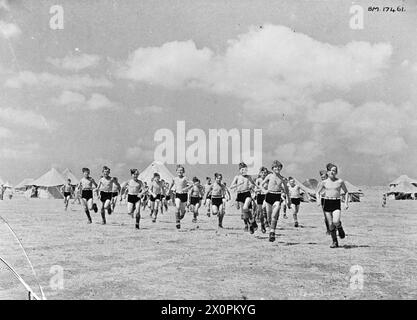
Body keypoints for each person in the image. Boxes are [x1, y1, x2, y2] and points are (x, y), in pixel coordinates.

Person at [316, 163, 349, 248]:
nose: (332, 172)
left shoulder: (340, 181)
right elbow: (317, 192)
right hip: (327, 203)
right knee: (330, 224)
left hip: (336, 203)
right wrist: (318, 200)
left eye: (334, 170)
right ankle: (334, 241)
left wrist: (346, 203)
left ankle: (340, 227)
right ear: (327, 172)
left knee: (336, 221)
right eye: (331, 170)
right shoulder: (324, 182)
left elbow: (346, 192)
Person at [262, 160, 291, 242]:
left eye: (279, 167)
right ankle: (268, 225)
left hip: (277, 196)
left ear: (281, 168)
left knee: (275, 215)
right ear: (272, 168)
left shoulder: (282, 178)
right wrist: (264, 191)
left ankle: (272, 232)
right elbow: (261, 184)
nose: (277, 168)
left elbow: (287, 190)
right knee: (269, 216)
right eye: (275, 167)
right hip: (269, 196)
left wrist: (289, 200)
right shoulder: (269, 176)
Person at [230, 162, 258, 234]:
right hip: (240, 195)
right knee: (244, 215)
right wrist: (238, 184)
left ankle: (252, 220)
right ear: (239, 170)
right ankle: (250, 224)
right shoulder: (237, 177)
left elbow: (254, 184)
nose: (243, 171)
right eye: (242, 169)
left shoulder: (249, 177)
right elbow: (231, 187)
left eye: (245, 169)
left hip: (247, 194)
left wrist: (253, 186)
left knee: (246, 208)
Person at [169, 165, 192, 230]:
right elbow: (172, 183)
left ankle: (183, 213)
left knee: (182, 211)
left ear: (183, 171)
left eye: (181, 170)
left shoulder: (185, 178)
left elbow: (191, 184)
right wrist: (169, 190)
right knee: (177, 207)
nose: (180, 171)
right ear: (176, 171)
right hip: (178, 194)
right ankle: (177, 222)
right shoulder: (174, 178)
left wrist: (185, 188)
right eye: (178, 170)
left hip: (184, 195)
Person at [255, 167, 269, 233]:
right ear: (260, 173)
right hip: (259, 196)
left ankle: (267, 221)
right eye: (262, 172)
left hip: (266, 196)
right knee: (260, 212)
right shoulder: (258, 180)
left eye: (265, 172)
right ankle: (262, 225)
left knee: (265, 208)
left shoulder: (268, 180)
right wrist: (261, 189)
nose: (263, 174)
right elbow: (255, 189)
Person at [318, 170, 331, 234]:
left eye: (324, 177)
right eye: (321, 177)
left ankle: (334, 227)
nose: (322, 178)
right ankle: (328, 229)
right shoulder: (320, 183)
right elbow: (317, 192)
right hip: (324, 200)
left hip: (331, 199)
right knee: (326, 216)